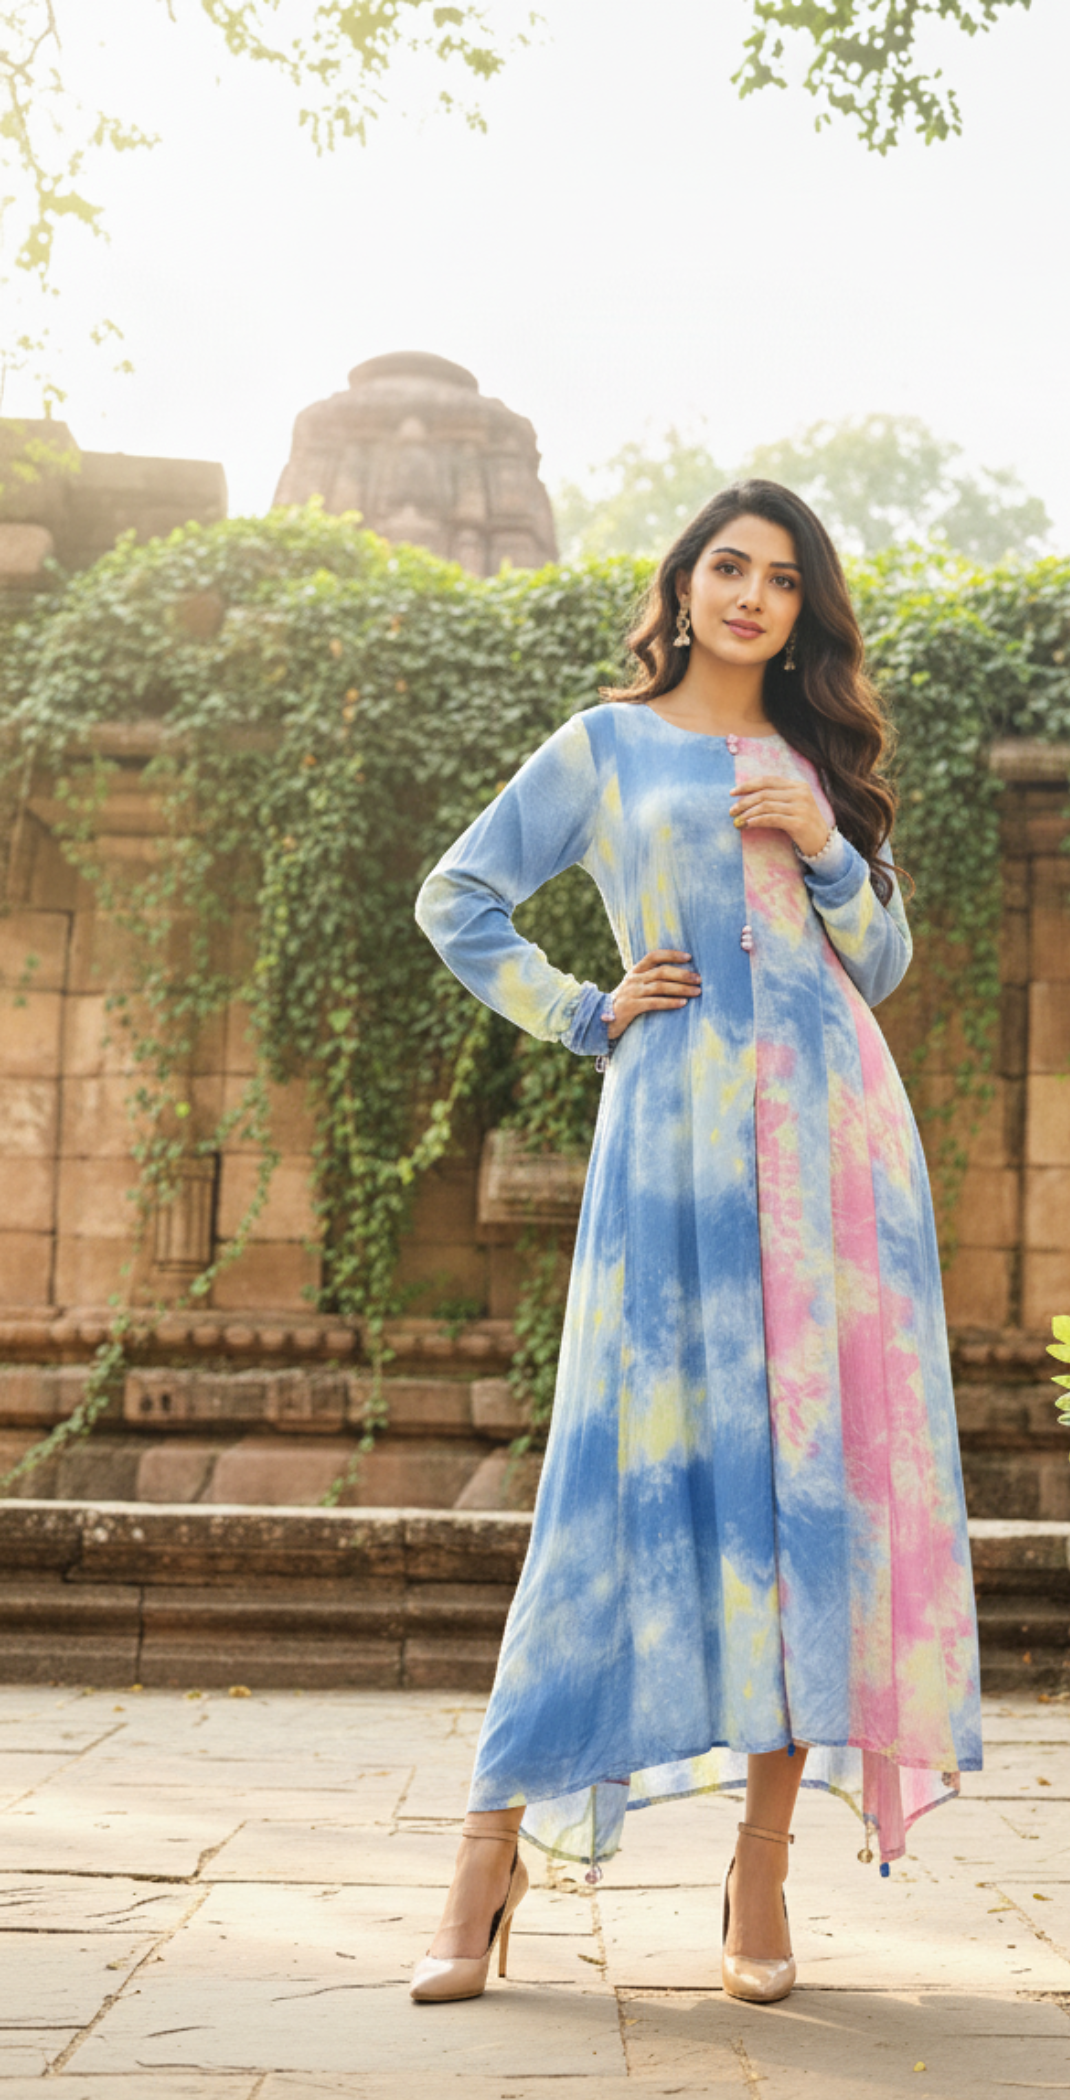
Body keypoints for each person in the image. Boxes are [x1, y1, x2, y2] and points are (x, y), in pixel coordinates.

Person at [409, 480, 981, 2008]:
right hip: (669, 1141)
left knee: (814, 1492)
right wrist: (584, 1012)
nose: (751, 596)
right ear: (682, 582)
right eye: (729, 566)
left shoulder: (810, 763)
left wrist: (831, 847)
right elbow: (455, 896)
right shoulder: (601, 745)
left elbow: (884, 964)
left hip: (837, 1154)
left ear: (804, 611)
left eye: (783, 580)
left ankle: (766, 1867)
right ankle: (488, 1846)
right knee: (613, 1471)